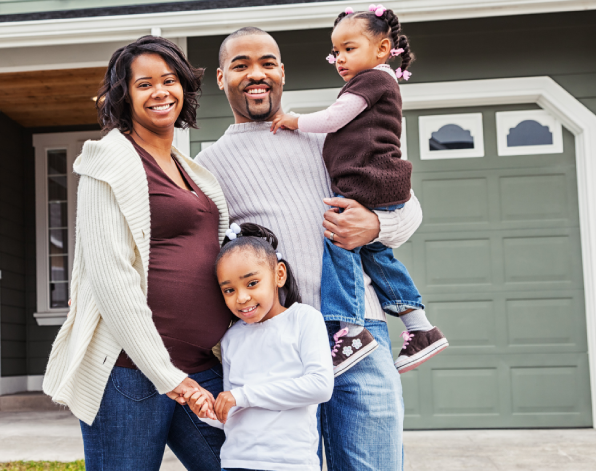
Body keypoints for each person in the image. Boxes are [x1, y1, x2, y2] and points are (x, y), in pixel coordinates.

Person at [195, 26, 421, 470]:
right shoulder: (207, 168)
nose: (255, 74)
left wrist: (374, 225)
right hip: (274, 346)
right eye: (240, 65)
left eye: (266, 63)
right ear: (221, 79)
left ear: (282, 72)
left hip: (357, 333)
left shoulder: (332, 134)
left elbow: (409, 213)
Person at [42, 36, 232, 471]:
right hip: (131, 374)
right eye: (145, 84)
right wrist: (168, 377)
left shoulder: (193, 169)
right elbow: (112, 279)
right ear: (124, 96)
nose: (161, 92)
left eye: (169, 80)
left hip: (201, 367)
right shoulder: (107, 161)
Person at [269, 5, 448, 376]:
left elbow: (334, 118)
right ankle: (420, 327)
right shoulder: (379, 82)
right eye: (336, 51)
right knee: (377, 255)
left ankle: (352, 331)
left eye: (349, 48)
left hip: (369, 181)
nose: (339, 58)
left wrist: (293, 121)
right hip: (380, 182)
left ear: (382, 49)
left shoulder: (372, 81)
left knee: (340, 242)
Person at [187, 223, 333, 471]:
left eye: (252, 283)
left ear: (279, 275)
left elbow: (320, 386)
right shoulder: (231, 338)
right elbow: (234, 413)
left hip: (290, 464)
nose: (241, 297)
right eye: (229, 290)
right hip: (236, 463)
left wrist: (241, 396)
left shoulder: (304, 319)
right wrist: (210, 411)